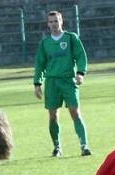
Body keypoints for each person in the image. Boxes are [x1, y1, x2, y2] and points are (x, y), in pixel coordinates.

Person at [33, 10, 91, 158]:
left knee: (75, 112)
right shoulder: (45, 43)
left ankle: (84, 146)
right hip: (52, 82)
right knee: (53, 116)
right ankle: (57, 147)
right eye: (51, 22)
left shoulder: (71, 38)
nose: (54, 24)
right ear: (47, 24)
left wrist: (81, 73)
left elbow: (81, 56)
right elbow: (40, 64)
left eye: (56, 21)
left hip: (68, 80)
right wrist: (37, 83)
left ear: (61, 21)